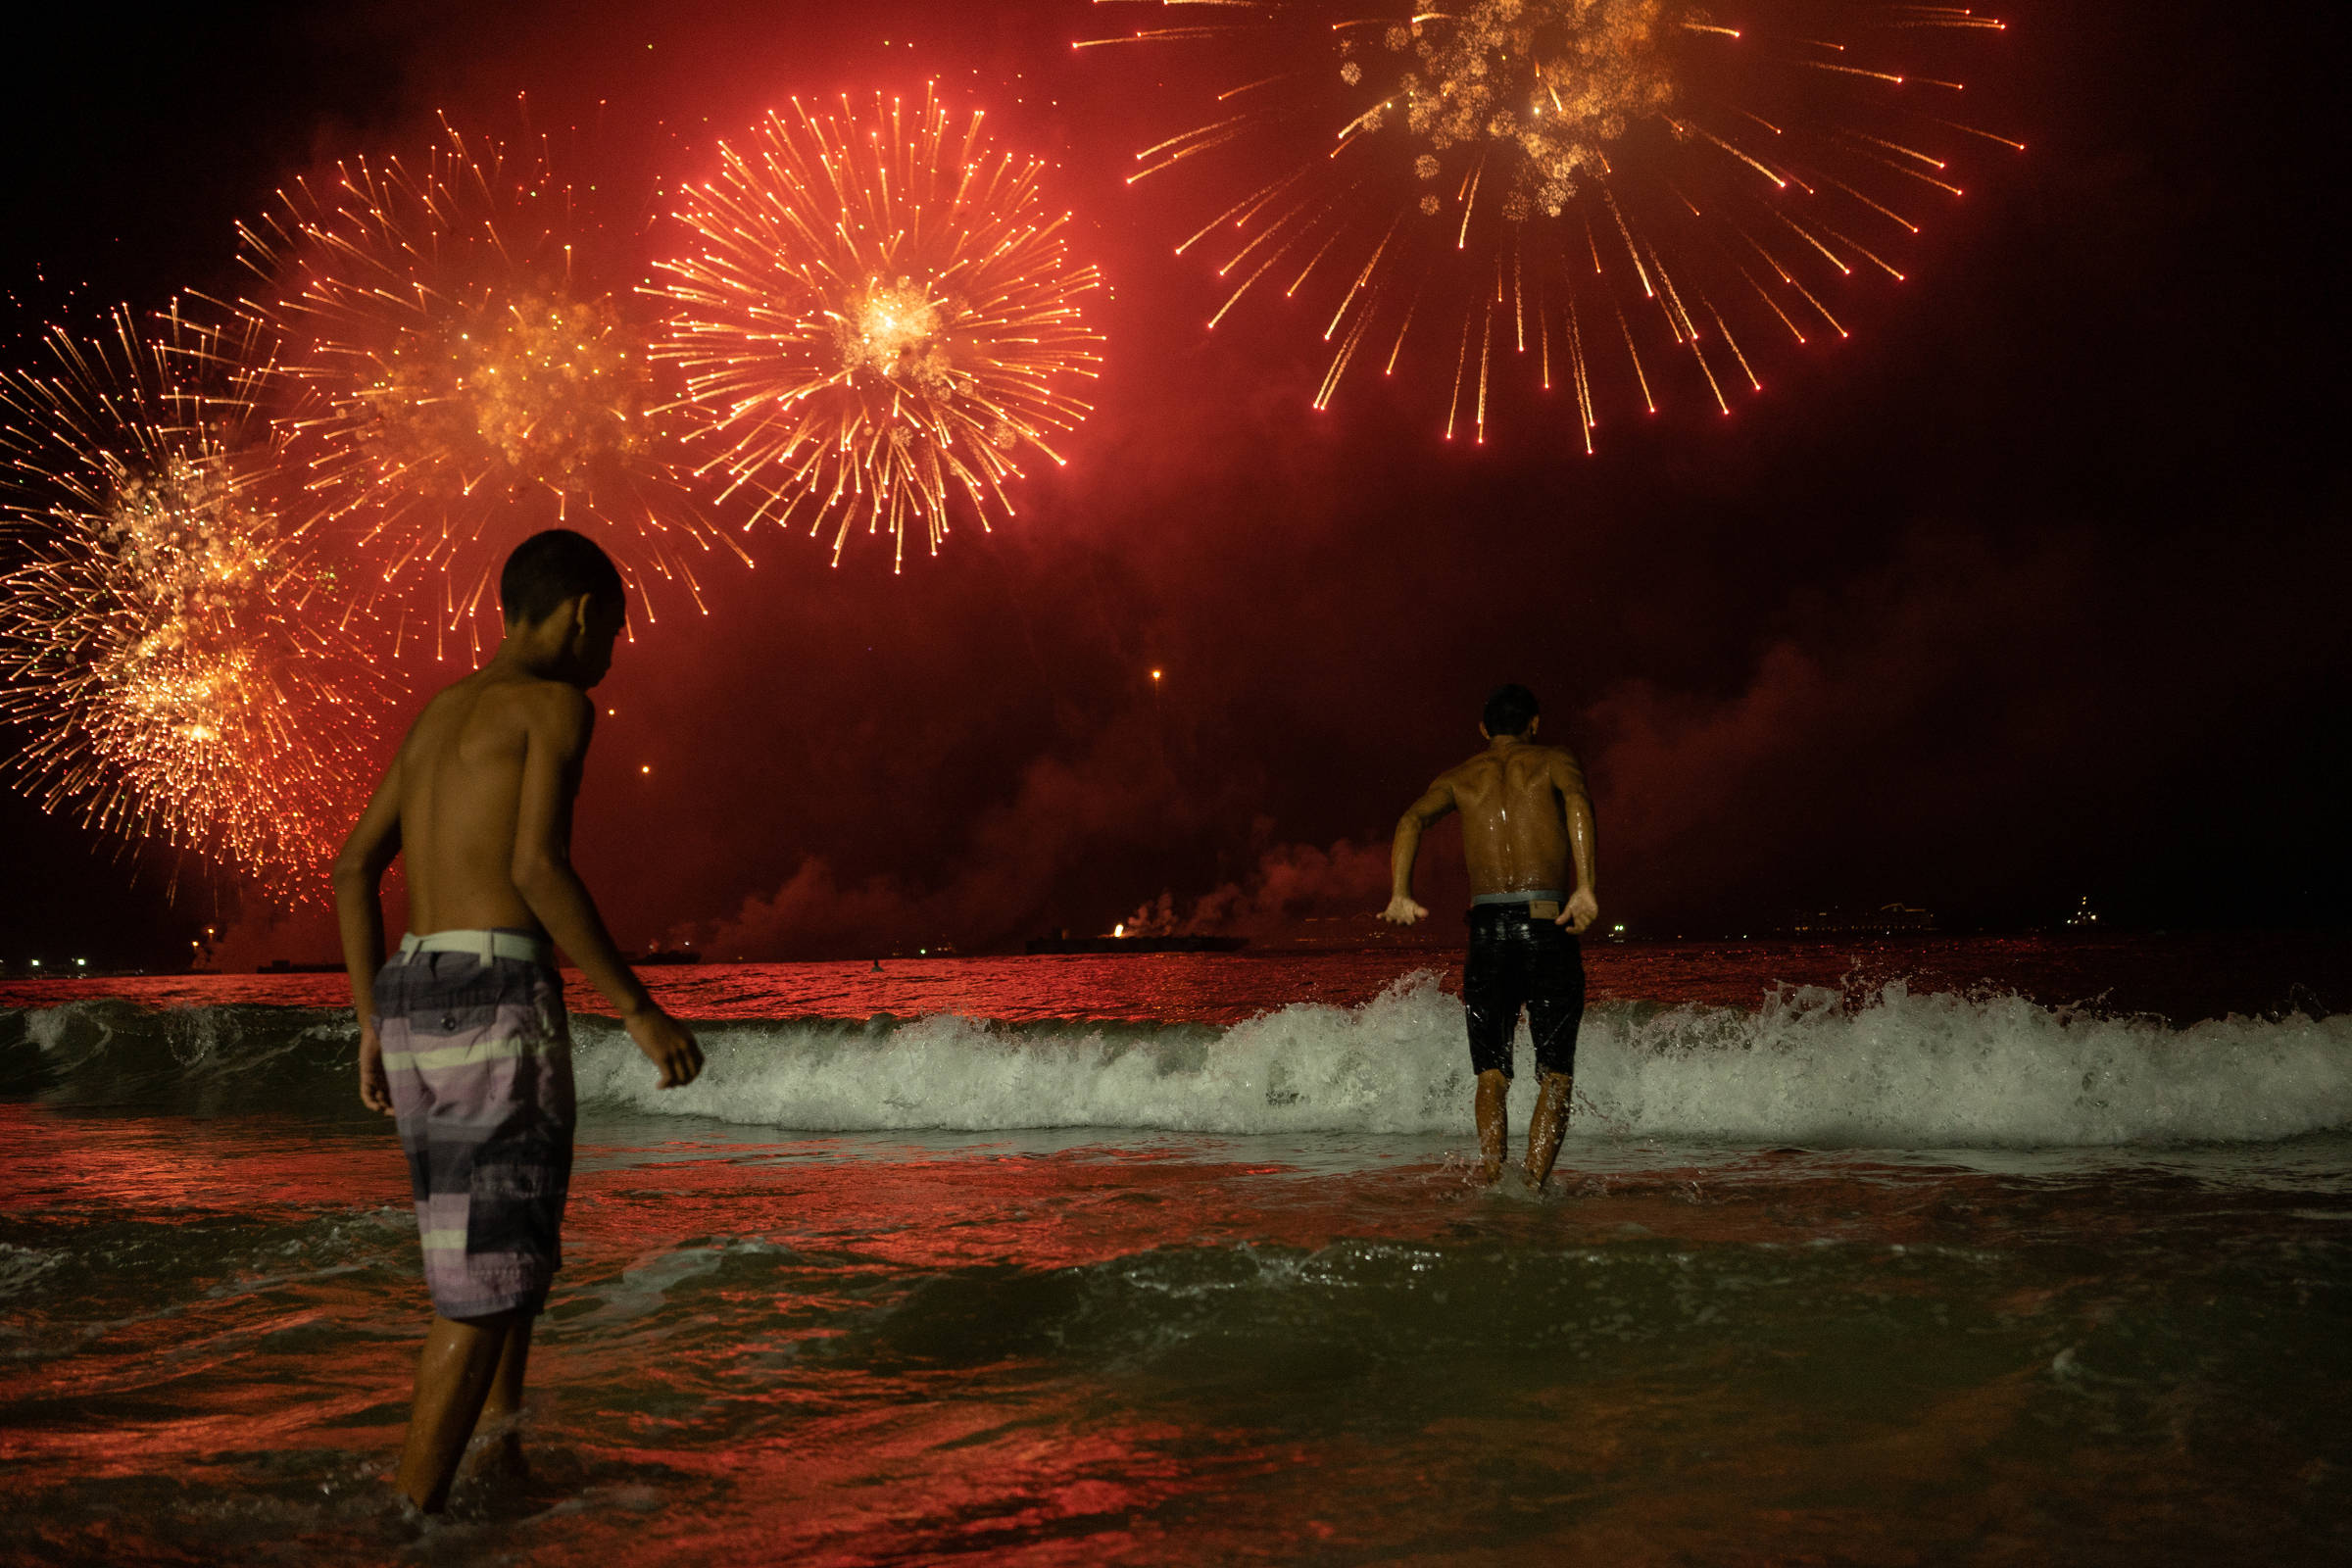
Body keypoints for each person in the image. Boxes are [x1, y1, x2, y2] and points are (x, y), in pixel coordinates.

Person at [333, 528, 705, 1514]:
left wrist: (372, 1019)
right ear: (583, 613)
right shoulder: (557, 707)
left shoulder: (436, 716)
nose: (613, 657)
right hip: (495, 995)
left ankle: (503, 1456)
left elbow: (353, 867)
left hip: (414, 992)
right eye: (614, 632)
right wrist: (637, 1007)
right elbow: (538, 868)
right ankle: (408, 1522)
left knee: (505, 1249)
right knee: (484, 1280)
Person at [1382, 683, 1598, 1189]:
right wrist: (1585, 887)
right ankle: (1534, 1188)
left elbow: (1411, 818)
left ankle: (1493, 1181)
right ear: (1535, 724)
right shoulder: (1553, 760)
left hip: (1487, 932)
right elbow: (1578, 801)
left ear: (1483, 730)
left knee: (1491, 1072)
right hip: (1548, 923)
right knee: (1556, 1072)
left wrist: (1399, 891)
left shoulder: (1461, 776)